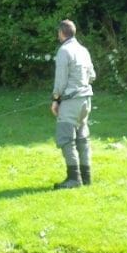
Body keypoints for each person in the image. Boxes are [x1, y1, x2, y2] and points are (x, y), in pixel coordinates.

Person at [51, 19, 96, 189]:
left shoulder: (64, 51)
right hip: (86, 101)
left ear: (61, 33)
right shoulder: (83, 50)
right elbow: (92, 75)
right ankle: (86, 177)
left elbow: (60, 80)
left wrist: (56, 99)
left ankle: (74, 179)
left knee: (66, 139)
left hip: (71, 101)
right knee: (82, 139)